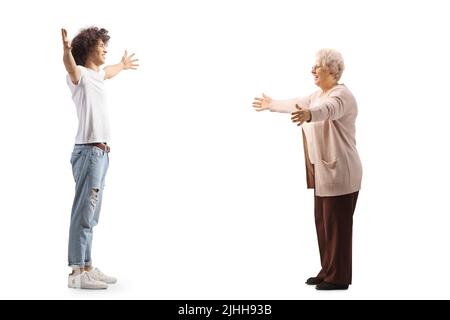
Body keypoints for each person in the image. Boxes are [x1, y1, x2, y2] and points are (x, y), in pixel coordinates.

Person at [252, 48, 362, 290]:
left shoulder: (340, 96)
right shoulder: (317, 95)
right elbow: (296, 103)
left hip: (341, 173)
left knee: (337, 226)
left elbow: (328, 111)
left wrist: (310, 115)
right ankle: (328, 270)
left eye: (318, 67)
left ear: (332, 71)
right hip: (325, 173)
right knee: (323, 223)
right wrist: (272, 104)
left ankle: (339, 277)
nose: (312, 70)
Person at [62, 27, 139, 289]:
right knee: (83, 213)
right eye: (101, 44)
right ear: (87, 49)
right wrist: (66, 52)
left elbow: (110, 72)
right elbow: (71, 68)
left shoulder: (97, 76)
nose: (105, 48)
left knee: (91, 214)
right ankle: (76, 273)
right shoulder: (81, 75)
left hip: (101, 153)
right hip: (88, 152)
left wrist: (123, 65)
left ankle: (87, 266)